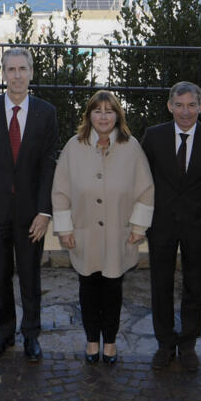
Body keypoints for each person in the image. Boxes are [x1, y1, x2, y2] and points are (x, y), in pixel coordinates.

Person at [51, 91, 153, 365]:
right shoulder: (74, 146)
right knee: (88, 288)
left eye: (110, 111)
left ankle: (109, 342)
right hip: (83, 233)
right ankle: (91, 340)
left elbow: (145, 191)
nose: (104, 116)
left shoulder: (131, 147)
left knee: (112, 290)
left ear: (118, 115)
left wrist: (139, 227)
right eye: (98, 111)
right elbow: (60, 192)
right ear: (89, 116)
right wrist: (65, 229)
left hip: (118, 235)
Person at [0, 47, 58, 362]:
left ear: (32, 73)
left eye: (23, 69)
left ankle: (31, 336)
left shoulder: (46, 112)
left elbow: (49, 165)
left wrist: (45, 212)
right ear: (3, 73)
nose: (17, 75)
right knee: (0, 275)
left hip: (32, 213)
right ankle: (4, 334)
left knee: (31, 276)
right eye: (11, 69)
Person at [139, 81, 201, 373]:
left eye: (192, 105)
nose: (185, 111)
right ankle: (165, 343)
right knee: (160, 285)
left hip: (198, 223)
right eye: (179, 105)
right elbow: (144, 177)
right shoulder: (153, 137)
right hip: (161, 224)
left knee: (195, 285)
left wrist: (194, 205)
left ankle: (188, 344)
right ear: (169, 106)